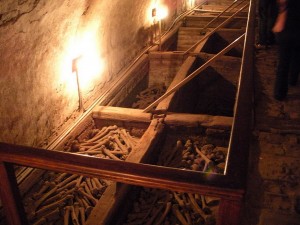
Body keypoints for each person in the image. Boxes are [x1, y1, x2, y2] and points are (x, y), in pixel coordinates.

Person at [273, 0, 300, 101]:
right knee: (297, 57)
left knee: (283, 62)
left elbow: (281, 4)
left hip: (287, 28)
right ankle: (292, 79)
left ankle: (280, 93)